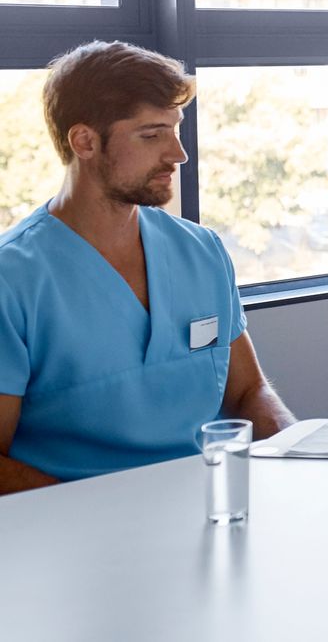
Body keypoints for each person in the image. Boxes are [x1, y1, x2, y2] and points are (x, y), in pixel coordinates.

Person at [0, 41, 294, 493]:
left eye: (176, 130)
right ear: (85, 141)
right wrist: (95, 514)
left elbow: (247, 392)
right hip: (72, 534)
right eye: (152, 134)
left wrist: (294, 453)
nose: (179, 154)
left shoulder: (202, 251)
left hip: (205, 508)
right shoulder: (13, 278)